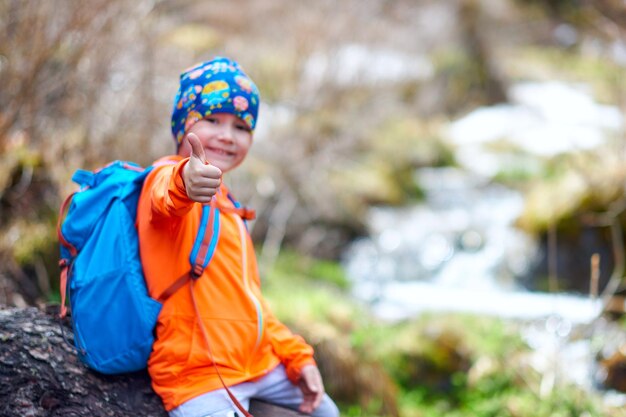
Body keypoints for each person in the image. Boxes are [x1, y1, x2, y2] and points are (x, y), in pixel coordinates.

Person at [136, 56, 340, 417]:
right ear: (184, 124)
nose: (227, 136)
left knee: (326, 412)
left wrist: (298, 357)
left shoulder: (229, 206)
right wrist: (186, 180)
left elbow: (251, 304)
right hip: (197, 375)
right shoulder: (166, 176)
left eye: (241, 127)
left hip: (258, 364)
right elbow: (167, 196)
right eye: (212, 120)